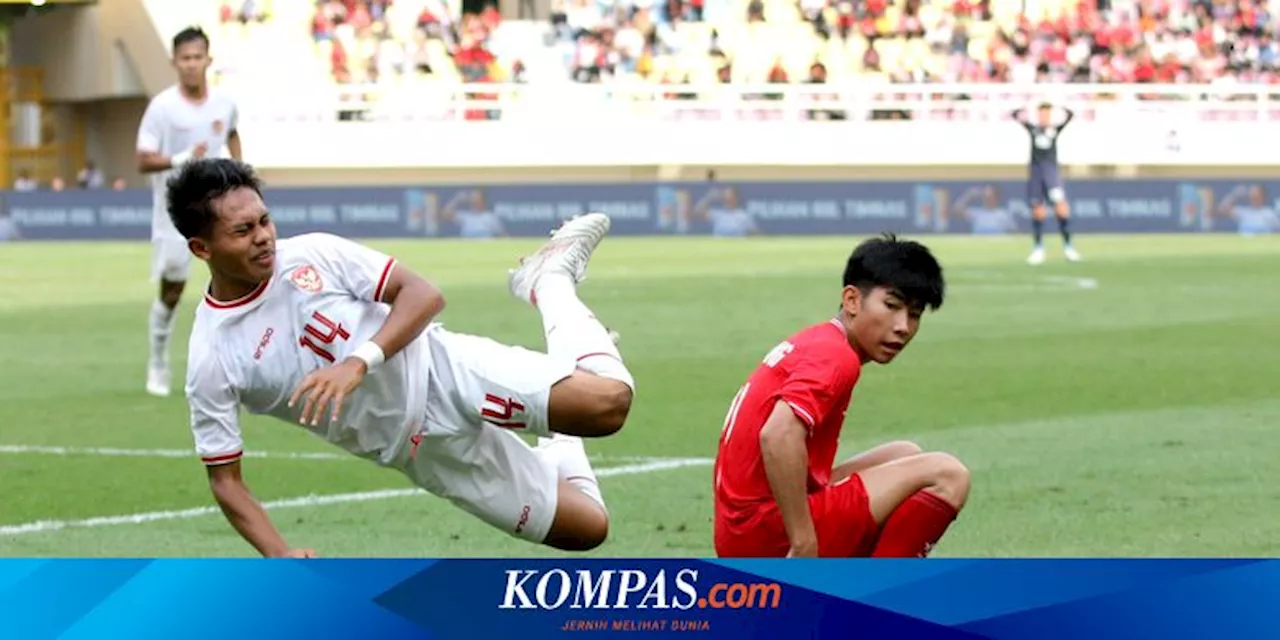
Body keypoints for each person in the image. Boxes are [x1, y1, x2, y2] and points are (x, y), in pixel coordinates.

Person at [172, 158, 634, 557]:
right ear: (201, 248)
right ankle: (559, 437)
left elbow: (423, 294)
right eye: (243, 230)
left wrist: (359, 362)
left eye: (264, 221)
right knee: (588, 529)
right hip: (422, 452)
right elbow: (225, 480)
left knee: (607, 406)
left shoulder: (313, 253)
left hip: (443, 370)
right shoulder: (213, 355)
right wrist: (279, 554)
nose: (264, 237)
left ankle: (548, 280)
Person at [713, 234, 970, 558]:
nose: (903, 326)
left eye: (914, 314)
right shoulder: (837, 357)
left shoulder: (820, 340)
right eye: (891, 306)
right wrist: (803, 540)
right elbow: (778, 434)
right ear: (851, 300)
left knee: (906, 453)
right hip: (763, 535)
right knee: (949, 474)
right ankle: (874, 598)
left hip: (743, 526)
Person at [137, 26, 242, 397]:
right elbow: (143, 159)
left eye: (198, 57)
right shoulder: (162, 107)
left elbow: (231, 134)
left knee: (238, 280)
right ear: (175, 62)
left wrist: (240, 179)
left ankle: (238, 365)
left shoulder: (225, 103)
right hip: (173, 210)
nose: (192, 64)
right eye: (185, 58)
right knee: (172, 290)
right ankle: (158, 360)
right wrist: (181, 159)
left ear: (208, 60)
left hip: (218, 209)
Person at [1012, 102, 1080, 265]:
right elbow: (1014, 115)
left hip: (1051, 173)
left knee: (1061, 209)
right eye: (1041, 113)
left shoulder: (1054, 130)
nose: (1044, 117)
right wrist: (1024, 109)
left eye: (1046, 113)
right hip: (1036, 173)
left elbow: (1070, 115)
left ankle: (1068, 247)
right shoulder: (1032, 129)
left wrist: (1061, 106)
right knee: (1038, 210)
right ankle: (1038, 249)